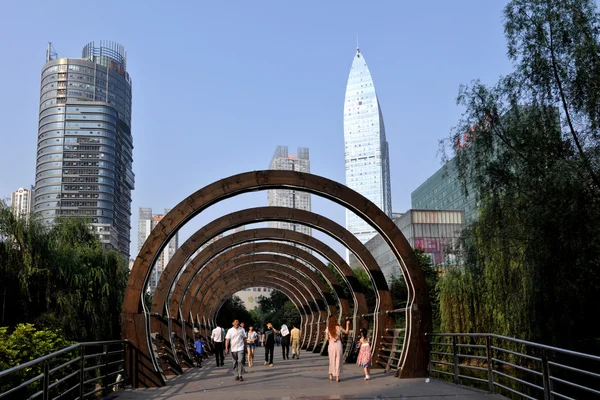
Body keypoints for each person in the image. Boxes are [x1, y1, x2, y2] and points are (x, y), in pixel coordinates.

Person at [325, 316, 350, 382]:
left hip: (331, 345)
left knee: (331, 360)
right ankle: (337, 377)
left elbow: (327, 338)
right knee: (338, 360)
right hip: (338, 345)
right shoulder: (339, 327)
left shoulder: (328, 328)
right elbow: (346, 332)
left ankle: (331, 375)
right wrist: (347, 324)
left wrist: (331, 338)